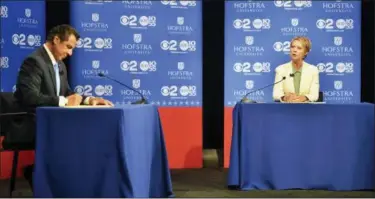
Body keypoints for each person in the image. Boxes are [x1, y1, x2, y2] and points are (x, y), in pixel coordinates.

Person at [13, 24, 113, 190]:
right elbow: (30, 97)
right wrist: (65, 102)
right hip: (30, 122)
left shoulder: (59, 64)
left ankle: (69, 184)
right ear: (56, 39)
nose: (70, 53)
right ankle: (45, 177)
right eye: (68, 47)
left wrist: (89, 100)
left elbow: (67, 93)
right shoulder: (34, 62)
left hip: (52, 121)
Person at [272, 36, 320, 103]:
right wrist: (284, 98)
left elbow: (314, 95)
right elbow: (276, 94)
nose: (294, 50)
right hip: (286, 109)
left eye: (299, 48)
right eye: (292, 47)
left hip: (306, 109)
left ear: (306, 52)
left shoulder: (313, 70)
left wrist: (304, 98)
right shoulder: (280, 69)